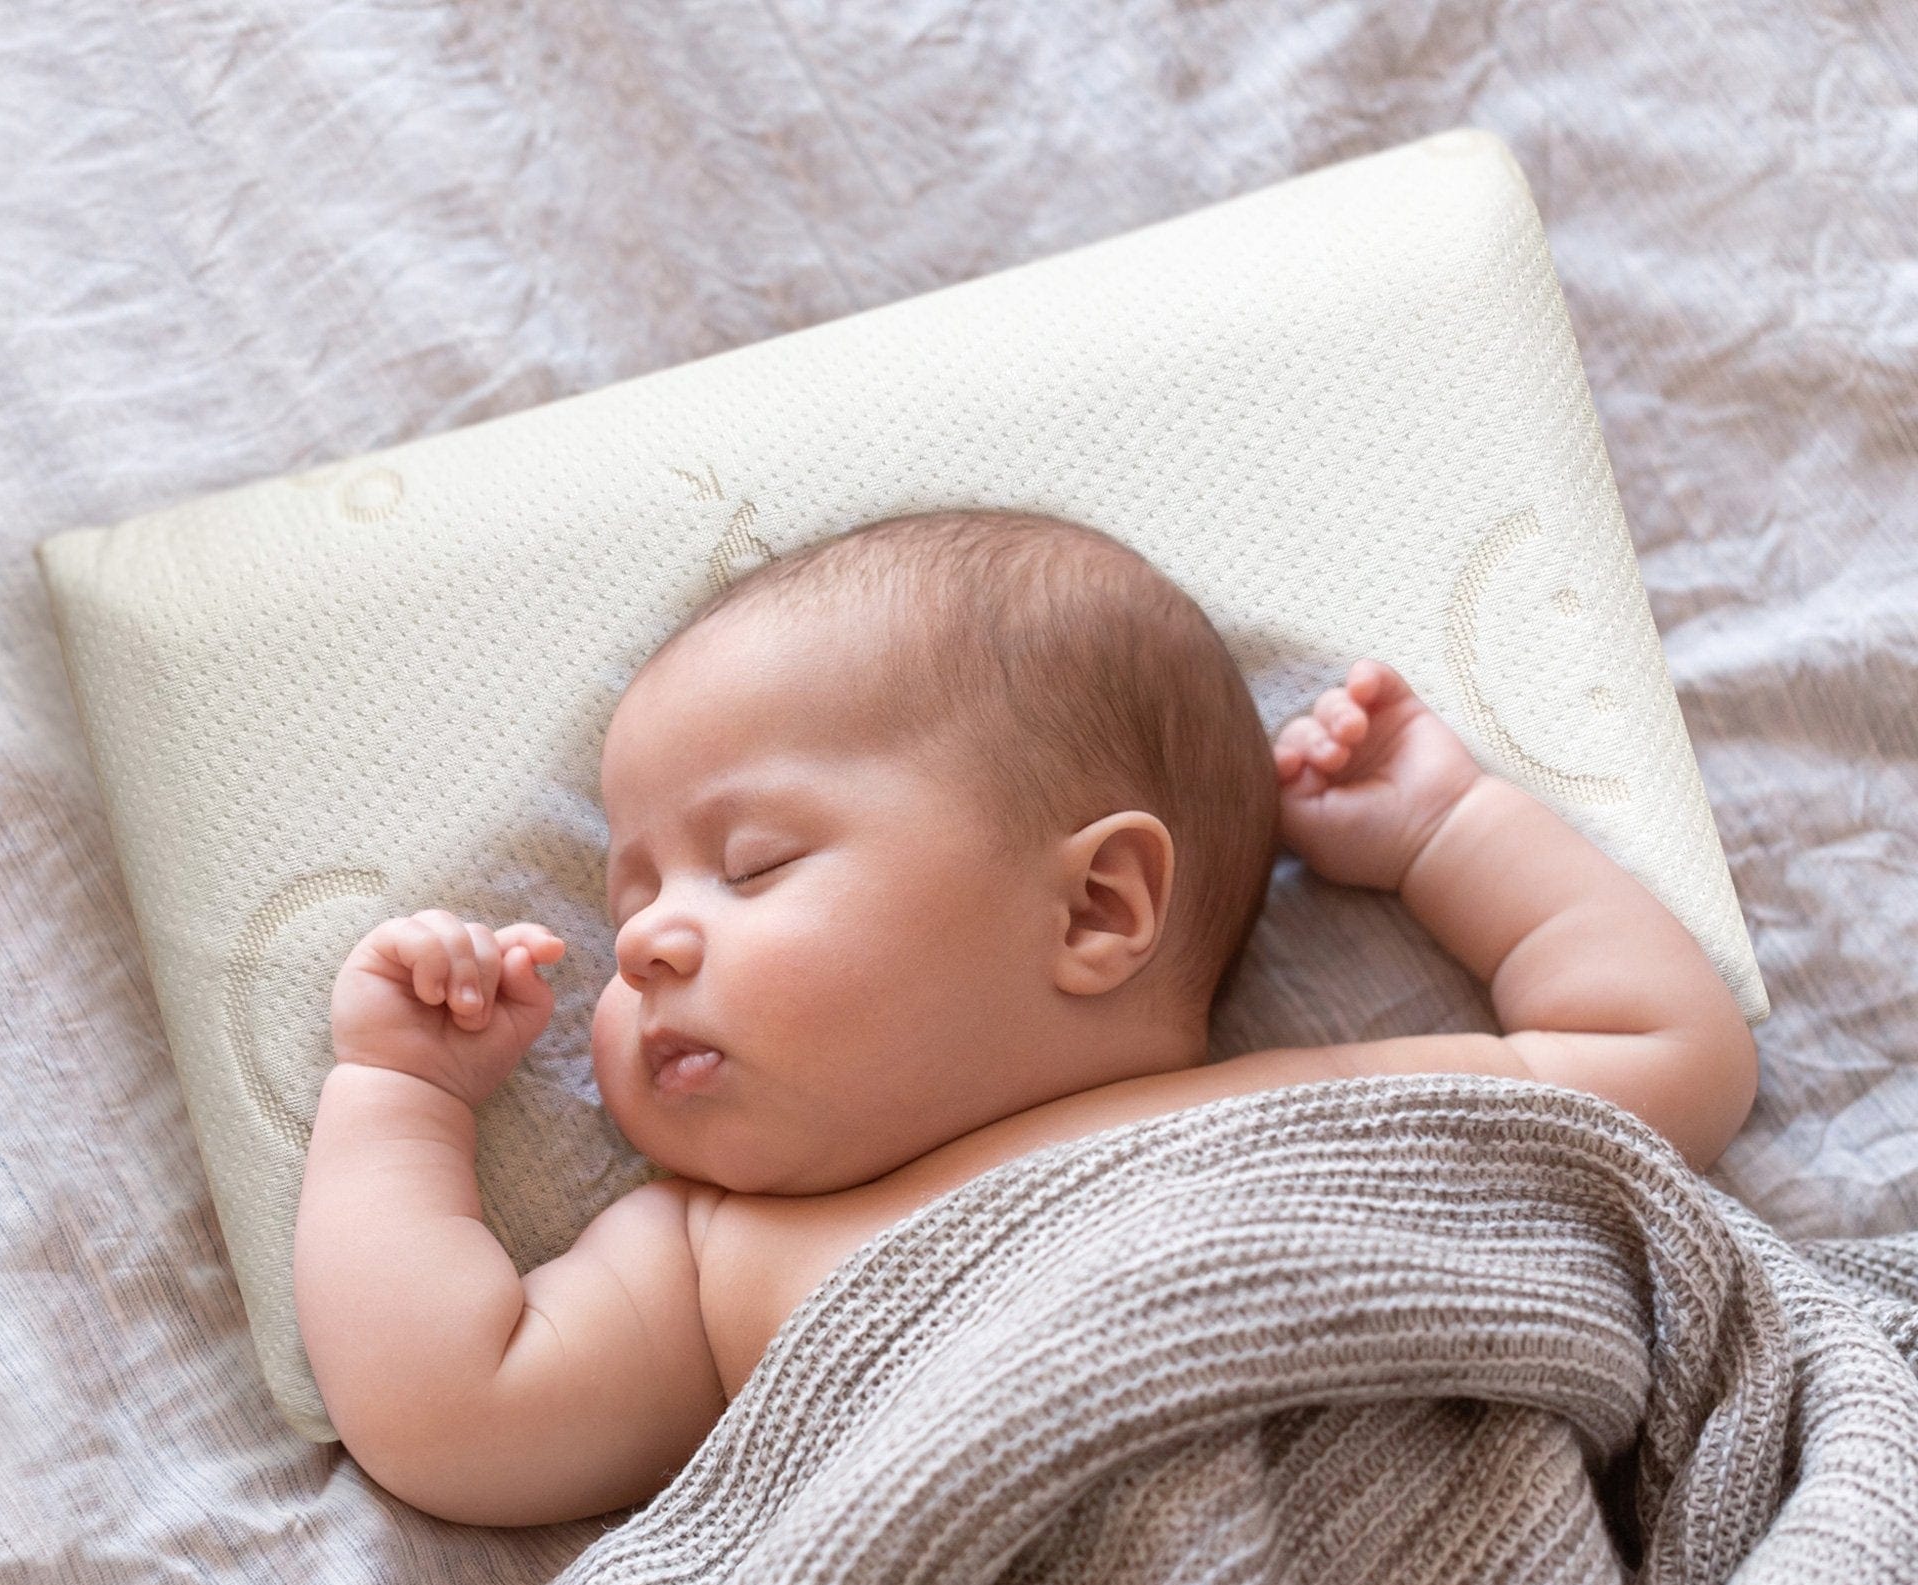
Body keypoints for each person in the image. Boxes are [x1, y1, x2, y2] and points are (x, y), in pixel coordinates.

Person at [293, 509, 1758, 1526]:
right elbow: (448, 1417)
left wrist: (1447, 832)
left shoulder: (1320, 1108)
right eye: (623, 924)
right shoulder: (705, 1263)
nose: (655, 939)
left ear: (1097, 911)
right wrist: (402, 1096)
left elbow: (1667, 1060)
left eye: (754, 867)